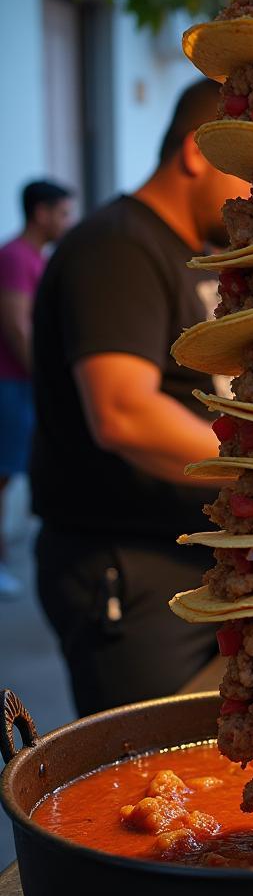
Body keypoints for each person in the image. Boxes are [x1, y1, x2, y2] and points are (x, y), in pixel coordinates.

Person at [30, 79, 248, 715]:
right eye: (250, 174)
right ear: (195, 153)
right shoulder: (117, 245)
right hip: (126, 568)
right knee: (147, 778)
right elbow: (123, 413)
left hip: (185, 561)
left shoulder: (185, 254)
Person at [0, 179, 73, 598]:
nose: (68, 221)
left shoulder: (37, 258)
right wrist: (45, 381)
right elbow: (16, 326)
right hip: (13, 384)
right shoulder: (14, 257)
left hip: (25, 384)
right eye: (62, 212)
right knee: (3, 477)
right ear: (40, 213)